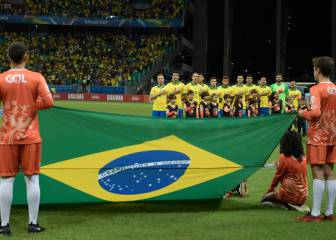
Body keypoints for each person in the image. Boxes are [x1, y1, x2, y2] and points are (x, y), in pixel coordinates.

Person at [0, 42, 54, 235]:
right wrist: (31, 105)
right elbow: (49, 102)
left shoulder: (1, 78)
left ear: (9, 58)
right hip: (31, 136)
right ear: (26, 57)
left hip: (7, 136)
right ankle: (32, 224)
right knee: (32, 179)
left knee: (6, 180)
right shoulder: (36, 77)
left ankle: (4, 226)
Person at [297, 56, 336, 222]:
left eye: (314, 69)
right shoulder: (335, 88)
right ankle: (329, 212)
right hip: (333, 135)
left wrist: (301, 113)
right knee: (329, 171)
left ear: (318, 70)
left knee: (317, 171)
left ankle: (315, 214)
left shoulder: (315, 89)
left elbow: (315, 113)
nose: (313, 71)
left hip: (318, 135)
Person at [261, 131, 308, 211]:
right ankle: (294, 204)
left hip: (288, 194)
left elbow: (277, 176)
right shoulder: (304, 157)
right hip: (303, 196)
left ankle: (286, 206)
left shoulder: (284, 157)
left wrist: (269, 190)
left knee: (264, 200)